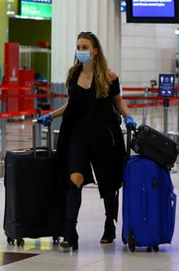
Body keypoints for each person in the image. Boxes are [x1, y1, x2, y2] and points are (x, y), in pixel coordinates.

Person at [38, 31, 136, 252]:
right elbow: (73, 105)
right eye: (78, 47)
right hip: (77, 136)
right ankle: (70, 231)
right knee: (75, 179)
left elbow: (118, 101)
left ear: (95, 50)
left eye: (85, 47)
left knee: (108, 183)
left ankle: (109, 224)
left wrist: (128, 116)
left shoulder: (109, 76)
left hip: (103, 136)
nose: (81, 51)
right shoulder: (74, 75)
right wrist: (53, 115)